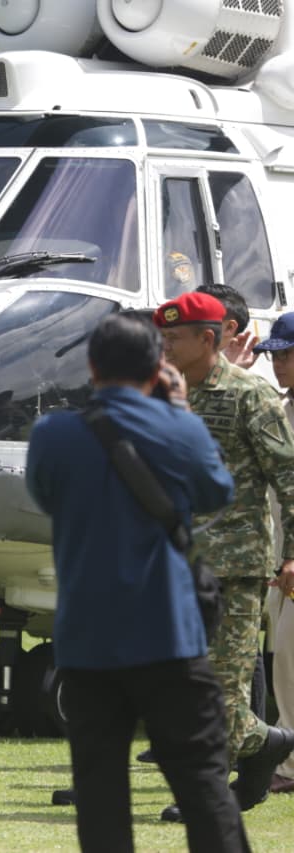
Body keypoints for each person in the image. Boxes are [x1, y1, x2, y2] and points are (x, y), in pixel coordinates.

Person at [26, 312, 247, 852]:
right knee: (202, 783)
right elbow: (218, 492)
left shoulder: (54, 435)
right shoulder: (179, 428)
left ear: (91, 367)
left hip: (87, 643)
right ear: (157, 368)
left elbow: (44, 496)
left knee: (100, 791)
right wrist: (179, 411)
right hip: (168, 636)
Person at [155, 291, 294, 820]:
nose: (165, 346)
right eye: (163, 337)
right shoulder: (164, 397)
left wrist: (292, 554)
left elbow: (289, 478)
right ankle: (268, 743)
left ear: (208, 339)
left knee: (221, 689)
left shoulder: (249, 396)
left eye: (174, 338)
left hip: (234, 568)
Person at [253, 312, 294, 794]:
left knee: (288, 662)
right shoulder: (280, 408)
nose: (278, 364)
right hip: (281, 559)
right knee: (284, 660)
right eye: (275, 356)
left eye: (286, 355)